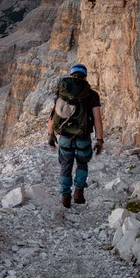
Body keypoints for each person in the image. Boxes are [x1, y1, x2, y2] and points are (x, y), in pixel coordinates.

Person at [47, 63, 104, 208]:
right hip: (83, 137)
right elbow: (97, 119)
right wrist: (99, 139)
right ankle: (79, 193)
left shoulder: (62, 91)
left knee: (66, 165)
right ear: (85, 77)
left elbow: (53, 116)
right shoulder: (92, 94)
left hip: (65, 136)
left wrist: (50, 135)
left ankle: (65, 197)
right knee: (82, 163)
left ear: (72, 75)